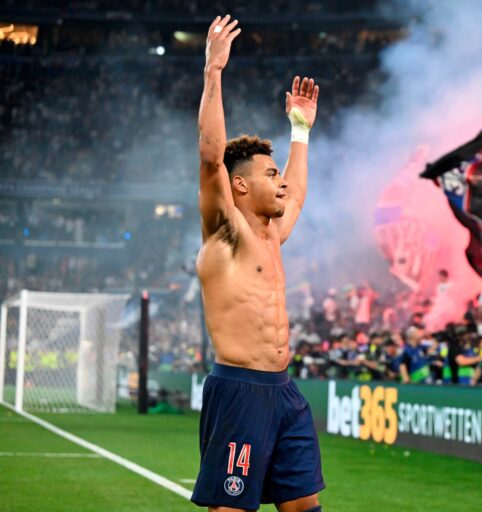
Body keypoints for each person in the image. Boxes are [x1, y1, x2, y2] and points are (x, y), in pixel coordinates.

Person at [191, 16, 324, 512]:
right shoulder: (225, 232)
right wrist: (213, 71)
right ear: (241, 186)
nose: (282, 182)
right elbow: (210, 158)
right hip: (241, 390)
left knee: (304, 507)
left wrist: (300, 131)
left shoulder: (272, 236)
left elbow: (300, 192)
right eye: (272, 174)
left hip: (284, 392)